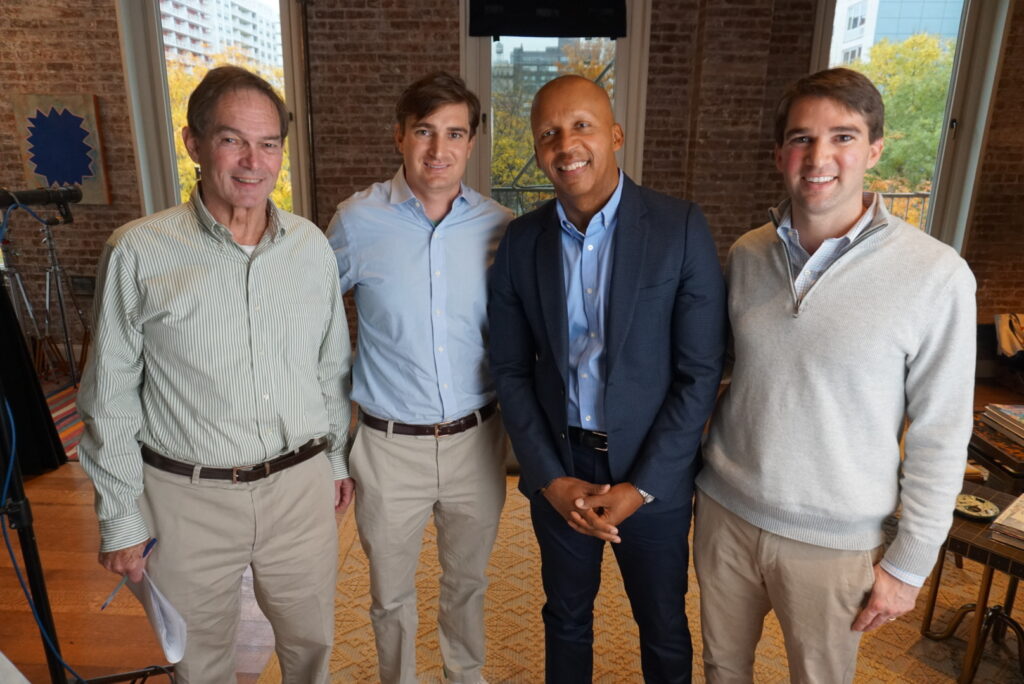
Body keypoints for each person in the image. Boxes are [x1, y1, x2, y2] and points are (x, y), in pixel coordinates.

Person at [694, 67, 976, 683]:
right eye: (801, 138)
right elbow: (723, 378)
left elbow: (942, 432)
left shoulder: (937, 275)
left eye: (843, 137)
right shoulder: (747, 254)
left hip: (836, 540)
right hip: (725, 514)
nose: (819, 157)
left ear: (874, 149)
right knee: (720, 668)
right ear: (779, 154)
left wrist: (909, 565)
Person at [78, 65, 352, 683]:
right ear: (194, 143)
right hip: (185, 497)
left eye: (269, 143)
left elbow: (331, 365)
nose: (253, 161)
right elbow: (110, 395)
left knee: (311, 646)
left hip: (297, 488)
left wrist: (334, 460)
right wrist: (121, 515)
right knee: (198, 662)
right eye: (233, 140)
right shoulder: (138, 250)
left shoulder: (310, 248)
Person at [487, 75, 727, 682]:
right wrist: (548, 479)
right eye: (548, 133)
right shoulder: (520, 242)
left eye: (582, 126)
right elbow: (511, 371)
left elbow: (699, 374)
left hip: (654, 477)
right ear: (538, 150)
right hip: (562, 471)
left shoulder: (679, 228)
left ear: (615, 135)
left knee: (664, 625)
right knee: (565, 619)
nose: (566, 144)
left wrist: (640, 487)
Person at [326, 71, 512, 684]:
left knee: (469, 582)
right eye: (425, 132)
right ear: (400, 136)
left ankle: (466, 676)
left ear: (472, 141)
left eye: (455, 133)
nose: (440, 150)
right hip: (386, 445)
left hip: (475, 441)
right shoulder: (356, 221)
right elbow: (315, 328)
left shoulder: (500, 227)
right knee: (390, 593)